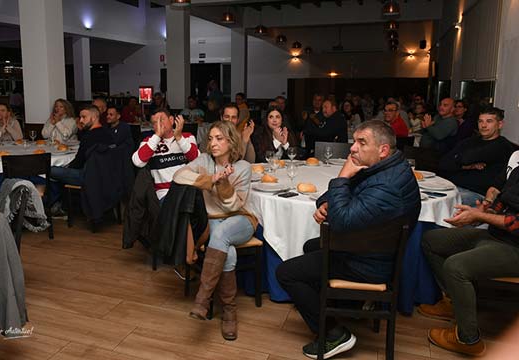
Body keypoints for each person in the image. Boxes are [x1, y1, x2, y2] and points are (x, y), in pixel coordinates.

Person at [276, 120, 420, 359]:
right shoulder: (385, 167)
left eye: (361, 143)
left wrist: (342, 175)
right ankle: (346, 306)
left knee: (285, 273)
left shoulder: (387, 186)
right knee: (311, 245)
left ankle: (334, 334)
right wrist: (325, 203)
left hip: (369, 264)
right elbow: (339, 195)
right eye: (354, 141)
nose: (353, 148)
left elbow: (341, 221)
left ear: (383, 149)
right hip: (371, 248)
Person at [418, 158, 519, 357]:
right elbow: (505, 199)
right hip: (496, 235)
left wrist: (480, 217)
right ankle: (455, 302)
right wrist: (485, 209)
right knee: (431, 240)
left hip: (515, 247)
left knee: (455, 267)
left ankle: (468, 339)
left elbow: (515, 223)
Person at [174, 121, 257, 341]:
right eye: (210, 138)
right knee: (225, 247)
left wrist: (224, 184)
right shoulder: (204, 161)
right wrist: (211, 179)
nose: (213, 143)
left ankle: (202, 300)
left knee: (221, 235)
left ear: (231, 141)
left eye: (219, 138)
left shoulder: (243, 167)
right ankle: (229, 312)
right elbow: (179, 176)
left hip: (242, 219)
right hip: (215, 222)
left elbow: (233, 207)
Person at [439, 107, 515, 205]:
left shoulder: (502, 145)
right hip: (452, 186)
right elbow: (443, 163)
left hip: (477, 194)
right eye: (480, 121)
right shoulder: (470, 141)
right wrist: (467, 166)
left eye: (489, 121)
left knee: (442, 203)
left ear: (499, 124)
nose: (483, 125)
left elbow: (466, 158)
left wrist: (460, 160)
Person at [132, 110, 199, 201]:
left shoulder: (187, 137)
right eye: (155, 123)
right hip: (164, 192)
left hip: (187, 189)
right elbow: (138, 162)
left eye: (161, 120)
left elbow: (197, 159)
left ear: (171, 120)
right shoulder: (149, 141)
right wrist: (157, 136)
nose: (159, 125)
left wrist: (179, 137)